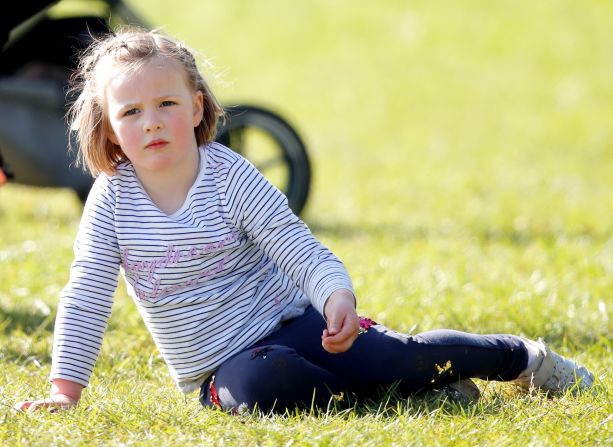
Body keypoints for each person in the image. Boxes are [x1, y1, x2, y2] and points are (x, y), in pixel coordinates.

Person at [14, 27, 596, 415]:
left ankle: (521, 358)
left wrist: (335, 295)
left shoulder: (228, 175)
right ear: (110, 128)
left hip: (296, 321)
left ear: (196, 107)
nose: (153, 122)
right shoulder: (113, 200)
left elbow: (293, 243)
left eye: (167, 104)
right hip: (222, 370)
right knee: (266, 387)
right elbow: (86, 293)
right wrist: (66, 389)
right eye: (132, 113)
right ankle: (411, 394)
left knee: (396, 355)